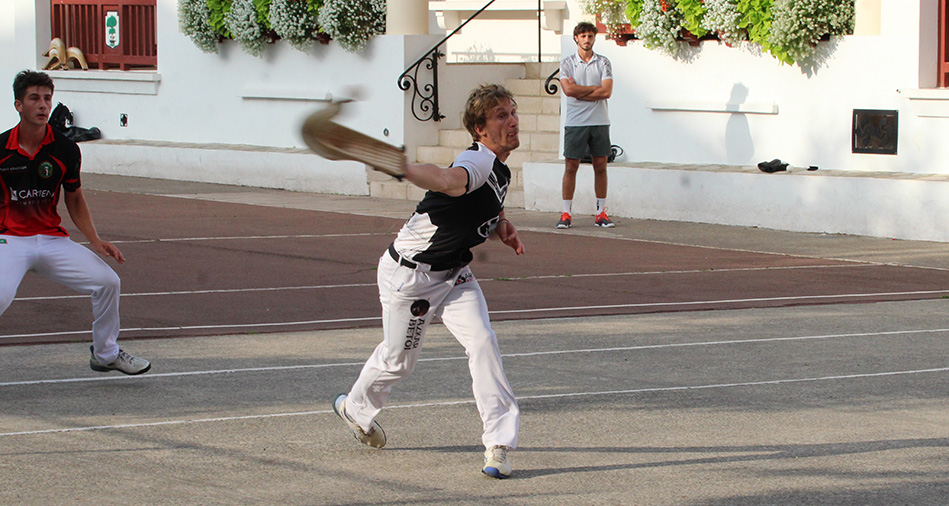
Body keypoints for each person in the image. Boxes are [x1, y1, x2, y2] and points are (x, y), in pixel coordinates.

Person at [332, 84, 524, 479]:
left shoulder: (498, 167)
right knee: (398, 362)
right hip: (411, 278)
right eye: (501, 115)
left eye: (512, 111)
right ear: (480, 129)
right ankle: (355, 408)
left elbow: (485, 200)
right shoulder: (476, 161)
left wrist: (502, 225)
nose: (512, 120)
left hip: (454, 274)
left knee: (483, 341)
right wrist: (403, 168)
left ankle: (499, 444)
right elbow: (445, 179)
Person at [0, 70, 150, 375]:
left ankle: (106, 354)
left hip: (52, 240)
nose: (43, 105)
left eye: (47, 98)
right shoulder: (1, 149)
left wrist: (95, 241)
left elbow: (75, 198)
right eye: (34, 99)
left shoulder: (66, 149)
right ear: (18, 105)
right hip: (10, 240)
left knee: (108, 281)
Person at [558, 21, 615, 229]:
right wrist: (593, 89)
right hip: (575, 123)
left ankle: (601, 213)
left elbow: (606, 91)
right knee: (571, 166)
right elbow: (568, 91)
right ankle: (566, 213)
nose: (587, 39)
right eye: (583, 36)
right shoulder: (567, 63)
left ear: (594, 38)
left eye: (590, 36)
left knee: (600, 166)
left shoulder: (603, 62)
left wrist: (581, 90)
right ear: (576, 38)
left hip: (599, 121)